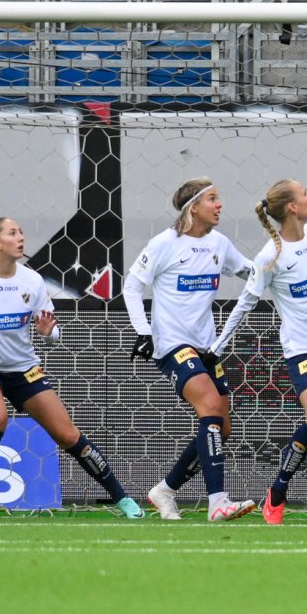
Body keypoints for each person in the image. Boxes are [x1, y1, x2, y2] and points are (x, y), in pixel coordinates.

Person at [0, 218, 142, 519]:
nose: (21, 237)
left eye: (21, 232)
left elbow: (53, 334)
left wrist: (48, 333)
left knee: (68, 435)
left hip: (24, 370)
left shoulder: (32, 281)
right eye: (13, 233)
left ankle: (123, 499)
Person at [209, 180, 307, 525]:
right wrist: (216, 348)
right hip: (303, 350)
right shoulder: (269, 257)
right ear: (292, 207)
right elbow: (245, 303)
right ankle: (279, 489)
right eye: (305, 193)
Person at [124, 177, 256, 522]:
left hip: (206, 347)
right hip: (172, 344)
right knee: (209, 408)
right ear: (193, 207)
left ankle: (165, 490)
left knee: (221, 428)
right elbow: (132, 287)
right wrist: (143, 331)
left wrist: (281, 267)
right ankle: (218, 503)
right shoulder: (164, 244)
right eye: (212, 198)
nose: (219, 204)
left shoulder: (219, 243)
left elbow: (251, 273)